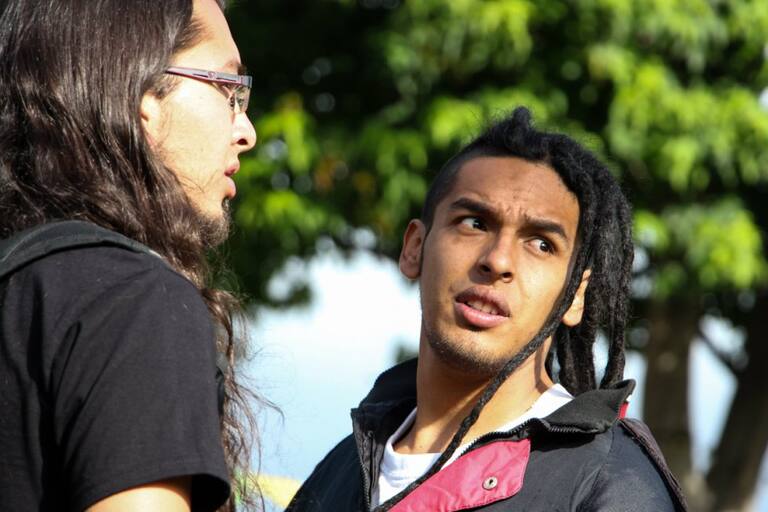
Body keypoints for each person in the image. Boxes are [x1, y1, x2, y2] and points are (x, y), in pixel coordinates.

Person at [287, 108, 688, 511]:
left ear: (576, 296)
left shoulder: (611, 484)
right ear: (414, 248)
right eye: (474, 223)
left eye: (541, 244)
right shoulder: (339, 472)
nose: (497, 261)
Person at [0, 0, 259, 510]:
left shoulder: (21, 285)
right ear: (142, 91)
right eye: (228, 90)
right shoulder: (133, 302)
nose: (245, 131)